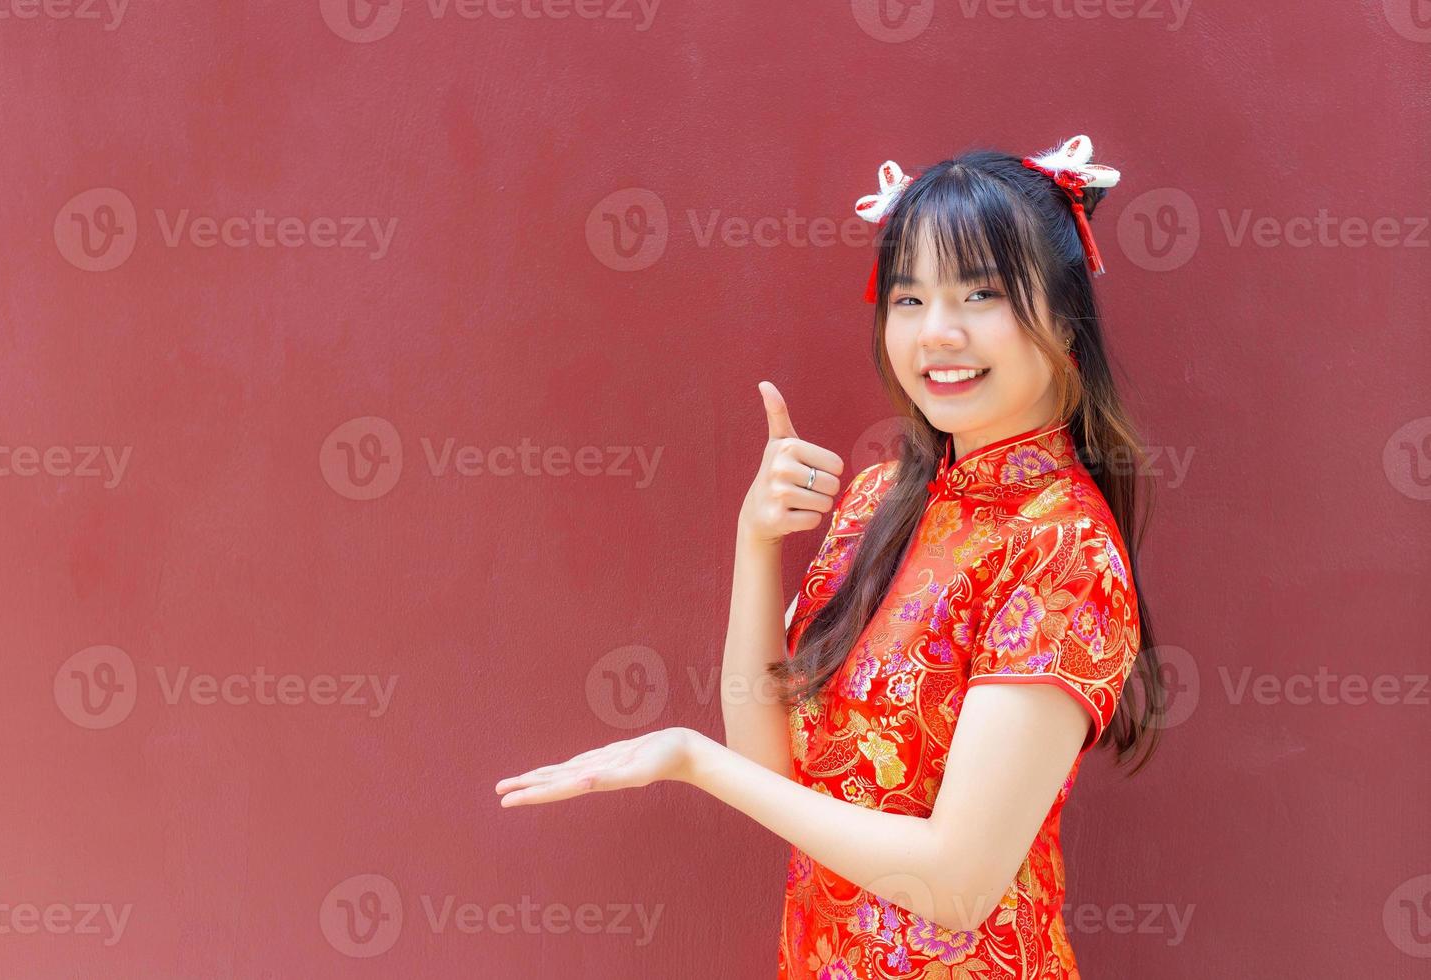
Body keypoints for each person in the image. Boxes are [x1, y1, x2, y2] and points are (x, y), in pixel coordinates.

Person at [494, 135, 1167, 980]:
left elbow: (959, 885)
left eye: (982, 293)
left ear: (1064, 318)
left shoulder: (1064, 547)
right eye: (909, 298)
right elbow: (768, 761)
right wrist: (755, 542)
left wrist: (689, 761)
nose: (938, 334)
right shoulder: (880, 498)